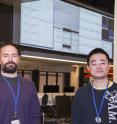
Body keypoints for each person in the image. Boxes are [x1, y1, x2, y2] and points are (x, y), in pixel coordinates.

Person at [71, 48, 117, 124]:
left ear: (109, 66)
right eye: (94, 64)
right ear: (88, 68)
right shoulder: (81, 93)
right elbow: (76, 120)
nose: (98, 67)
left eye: (102, 63)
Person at [0, 43, 41, 124]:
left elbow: (35, 115)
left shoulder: (29, 84)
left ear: (18, 59)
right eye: (5, 56)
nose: (10, 59)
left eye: (14, 55)